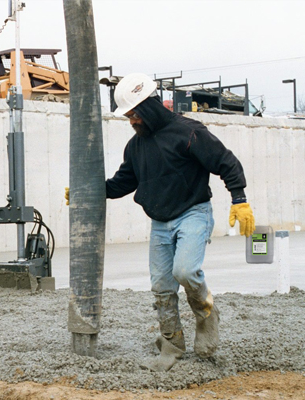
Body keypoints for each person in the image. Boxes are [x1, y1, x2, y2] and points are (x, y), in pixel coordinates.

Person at [66, 73, 255, 372]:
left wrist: (239, 199)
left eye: (133, 115)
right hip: (160, 222)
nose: (131, 122)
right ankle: (172, 345)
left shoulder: (189, 133)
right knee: (162, 287)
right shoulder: (136, 146)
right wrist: (87, 191)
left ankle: (207, 317)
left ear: (148, 108)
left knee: (186, 270)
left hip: (193, 212)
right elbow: (123, 182)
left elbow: (226, 161)